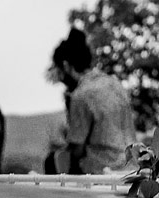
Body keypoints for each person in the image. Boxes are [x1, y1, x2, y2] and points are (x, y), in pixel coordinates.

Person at [52, 28, 133, 175]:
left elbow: (77, 150)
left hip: (101, 170)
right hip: (130, 168)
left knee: (54, 160)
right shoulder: (115, 84)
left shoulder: (81, 95)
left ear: (65, 66)